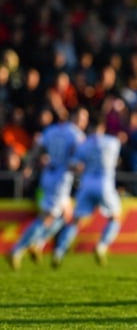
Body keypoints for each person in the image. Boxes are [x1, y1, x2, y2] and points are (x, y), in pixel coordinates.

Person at [6, 106, 89, 270]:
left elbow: (38, 148)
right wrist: (81, 167)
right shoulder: (76, 135)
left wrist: (29, 166)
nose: (84, 121)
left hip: (48, 174)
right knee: (47, 217)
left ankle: (38, 243)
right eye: (82, 118)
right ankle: (17, 249)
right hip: (61, 179)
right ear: (73, 118)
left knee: (66, 215)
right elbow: (77, 160)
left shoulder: (51, 130)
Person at [51, 112, 122, 268]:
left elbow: (73, 164)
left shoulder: (84, 144)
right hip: (105, 183)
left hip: (87, 183)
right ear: (103, 127)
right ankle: (101, 246)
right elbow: (118, 158)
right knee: (115, 217)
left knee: (76, 221)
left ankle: (59, 251)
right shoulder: (113, 142)